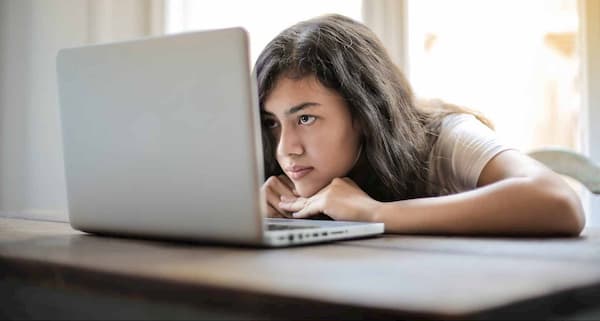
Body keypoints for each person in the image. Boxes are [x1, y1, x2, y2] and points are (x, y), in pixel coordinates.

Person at [255, 14, 585, 236]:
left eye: (306, 118)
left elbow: (558, 201)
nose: (287, 148)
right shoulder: (280, 171)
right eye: (272, 122)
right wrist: (250, 215)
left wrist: (373, 214)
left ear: (364, 112)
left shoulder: (446, 137)